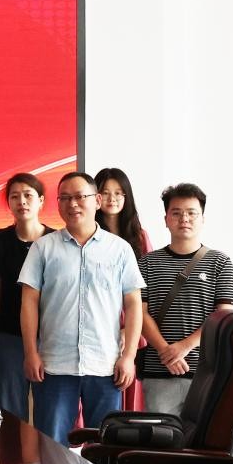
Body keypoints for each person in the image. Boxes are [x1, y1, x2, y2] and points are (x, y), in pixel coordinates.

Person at [19, 171, 144, 445]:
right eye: (64, 198)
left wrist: (129, 356)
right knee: (51, 446)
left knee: (104, 448)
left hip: (105, 366)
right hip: (54, 366)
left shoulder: (120, 249)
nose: (72, 204)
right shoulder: (43, 248)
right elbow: (29, 303)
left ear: (97, 201)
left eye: (79, 197)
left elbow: (134, 304)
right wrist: (31, 352)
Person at [137, 183, 233, 415]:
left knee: (205, 437)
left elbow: (224, 316)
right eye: (176, 213)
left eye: (192, 213)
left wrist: (184, 347)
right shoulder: (147, 263)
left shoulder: (220, 262)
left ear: (203, 219)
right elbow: (140, 314)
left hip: (208, 372)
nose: (184, 218)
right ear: (166, 219)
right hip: (159, 372)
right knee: (161, 436)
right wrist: (165, 351)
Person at [0, 173, 54, 422]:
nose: (22, 202)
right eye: (15, 197)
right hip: (9, 336)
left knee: (49, 411)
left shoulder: (57, 240)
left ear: (41, 201)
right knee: (10, 411)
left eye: (28, 195)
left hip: (50, 339)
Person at [94, 166, 153, 410]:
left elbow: (146, 287)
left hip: (132, 322)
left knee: (128, 389)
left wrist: (129, 329)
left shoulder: (139, 236)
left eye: (119, 193)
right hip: (99, 324)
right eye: (106, 192)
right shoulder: (89, 235)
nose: (112, 198)